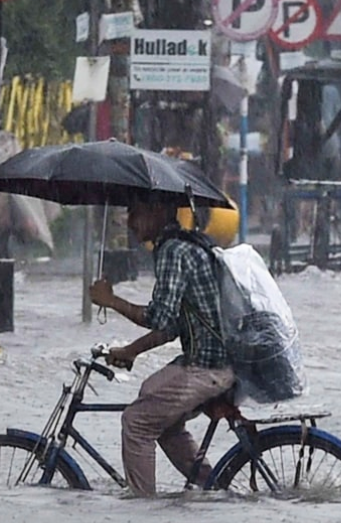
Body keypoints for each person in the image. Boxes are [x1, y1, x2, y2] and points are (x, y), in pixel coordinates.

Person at [89, 200, 234, 497]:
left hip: (208, 366)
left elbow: (158, 317)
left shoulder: (172, 251)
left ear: (157, 211)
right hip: (218, 361)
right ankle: (215, 491)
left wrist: (111, 301)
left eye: (135, 212)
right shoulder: (186, 245)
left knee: (137, 421)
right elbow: (175, 326)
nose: (130, 222)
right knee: (155, 406)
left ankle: (143, 509)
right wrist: (131, 350)